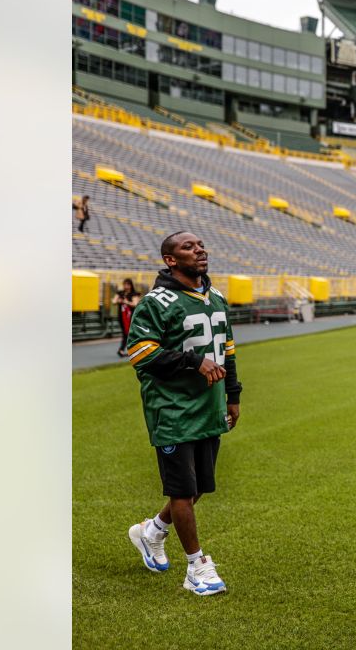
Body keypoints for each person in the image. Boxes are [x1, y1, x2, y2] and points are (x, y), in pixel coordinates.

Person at [124, 232, 241, 597]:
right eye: (188, 247)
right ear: (171, 260)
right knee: (182, 489)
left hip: (209, 405)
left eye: (201, 245)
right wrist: (193, 361)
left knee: (198, 488)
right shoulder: (157, 302)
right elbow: (140, 352)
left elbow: (228, 351)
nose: (200, 250)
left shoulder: (216, 297)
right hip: (172, 409)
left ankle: (153, 531)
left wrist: (233, 395)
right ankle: (196, 567)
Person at [114, 278, 142, 357]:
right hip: (122, 317)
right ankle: (125, 350)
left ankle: (124, 349)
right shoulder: (120, 293)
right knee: (126, 333)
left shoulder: (134, 294)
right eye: (124, 284)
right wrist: (118, 301)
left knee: (131, 333)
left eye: (127, 284)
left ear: (131, 285)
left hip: (132, 317)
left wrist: (126, 302)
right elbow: (114, 301)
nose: (126, 286)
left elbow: (135, 304)